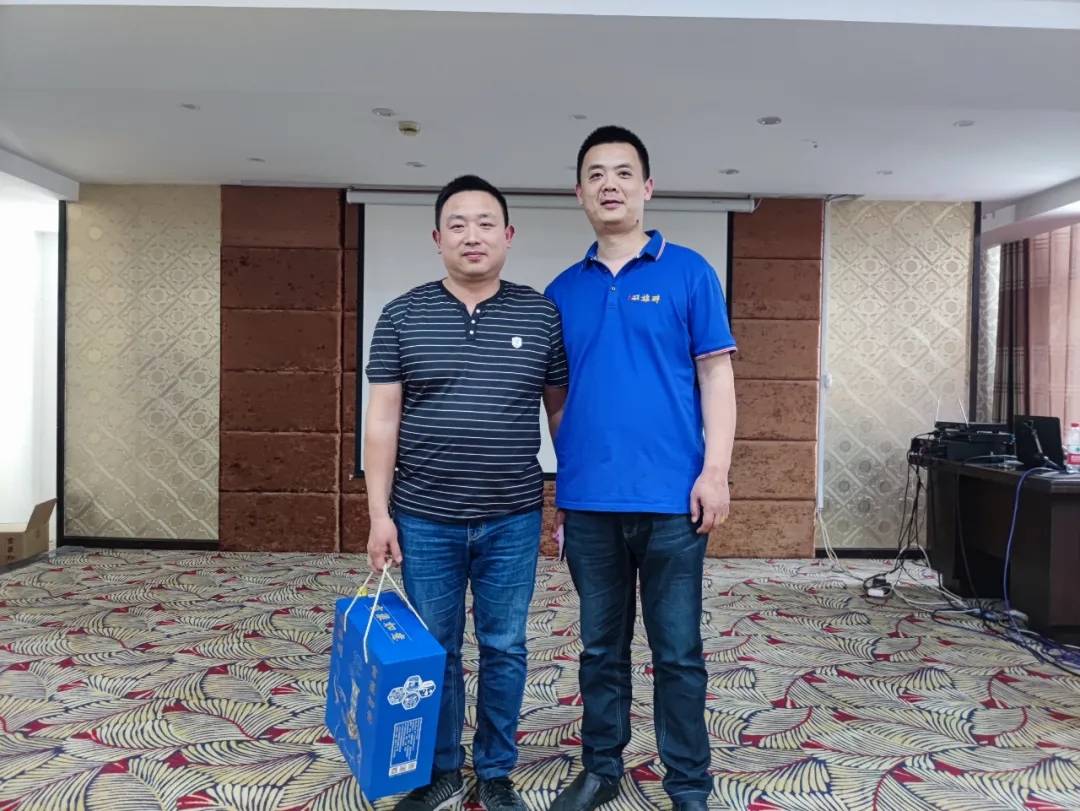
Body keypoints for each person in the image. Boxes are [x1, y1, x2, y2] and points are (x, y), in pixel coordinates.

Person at [543, 126, 738, 811]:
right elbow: (557, 397)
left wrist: (716, 471)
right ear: (579, 193)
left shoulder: (689, 272)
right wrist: (572, 475)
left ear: (647, 187)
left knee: (678, 650)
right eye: (596, 174)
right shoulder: (561, 290)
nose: (610, 184)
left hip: (673, 501)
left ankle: (688, 781)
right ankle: (602, 767)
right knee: (600, 648)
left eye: (623, 172)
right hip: (590, 504)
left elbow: (716, 376)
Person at [363, 174, 570, 811]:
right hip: (424, 517)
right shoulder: (402, 314)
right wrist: (378, 515)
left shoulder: (540, 314)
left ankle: (497, 771)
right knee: (437, 649)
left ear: (508, 235)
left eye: (485, 223)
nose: (471, 235)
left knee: (505, 646)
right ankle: (441, 769)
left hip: (512, 516)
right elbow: (382, 420)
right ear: (437, 238)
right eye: (457, 224)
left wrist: (567, 495)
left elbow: (560, 413)